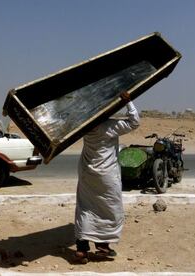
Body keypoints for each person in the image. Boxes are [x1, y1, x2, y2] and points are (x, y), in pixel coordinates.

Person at [74, 91, 140, 263]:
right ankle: (103, 246)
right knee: (110, 208)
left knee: (85, 208)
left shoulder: (85, 127)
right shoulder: (110, 126)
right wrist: (129, 102)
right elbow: (134, 122)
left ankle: (82, 249)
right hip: (107, 175)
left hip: (88, 173)